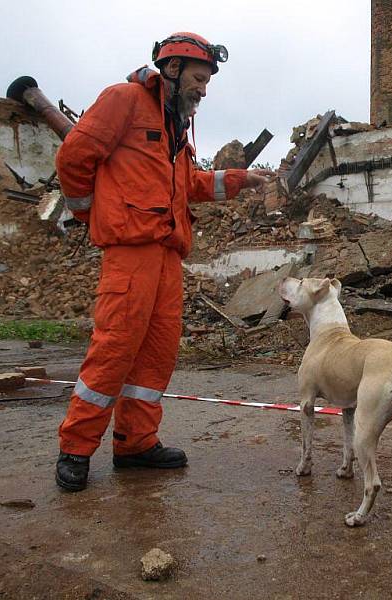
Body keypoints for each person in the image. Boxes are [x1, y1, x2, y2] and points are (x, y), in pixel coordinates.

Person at [54, 32, 272, 491]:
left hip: (168, 256)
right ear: (171, 70)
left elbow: (187, 184)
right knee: (114, 348)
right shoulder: (124, 101)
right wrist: (88, 211)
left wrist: (239, 179)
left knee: (156, 355)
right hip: (130, 253)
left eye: (207, 82)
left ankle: (136, 443)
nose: (203, 90)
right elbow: (73, 156)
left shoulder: (174, 126)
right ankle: (76, 447)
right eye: (198, 78)